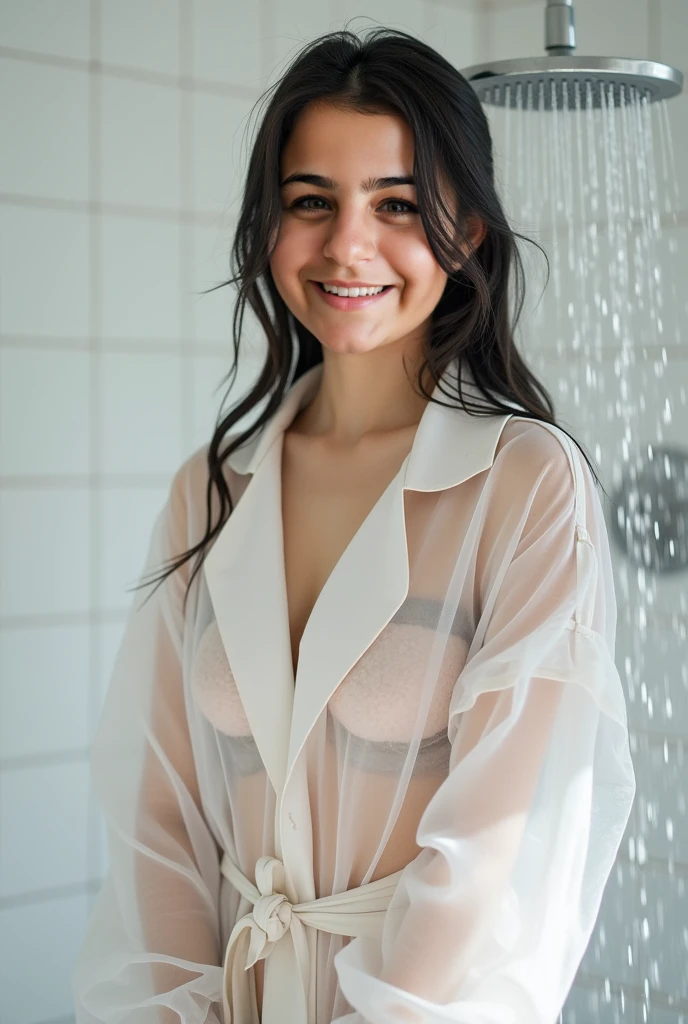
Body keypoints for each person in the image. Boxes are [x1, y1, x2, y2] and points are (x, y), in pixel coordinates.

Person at [72, 26, 636, 1024]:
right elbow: (159, 815)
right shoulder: (213, 490)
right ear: (268, 226)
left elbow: (486, 850)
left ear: (465, 229)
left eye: (397, 206)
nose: (347, 247)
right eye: (310, 203)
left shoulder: (523, 485)